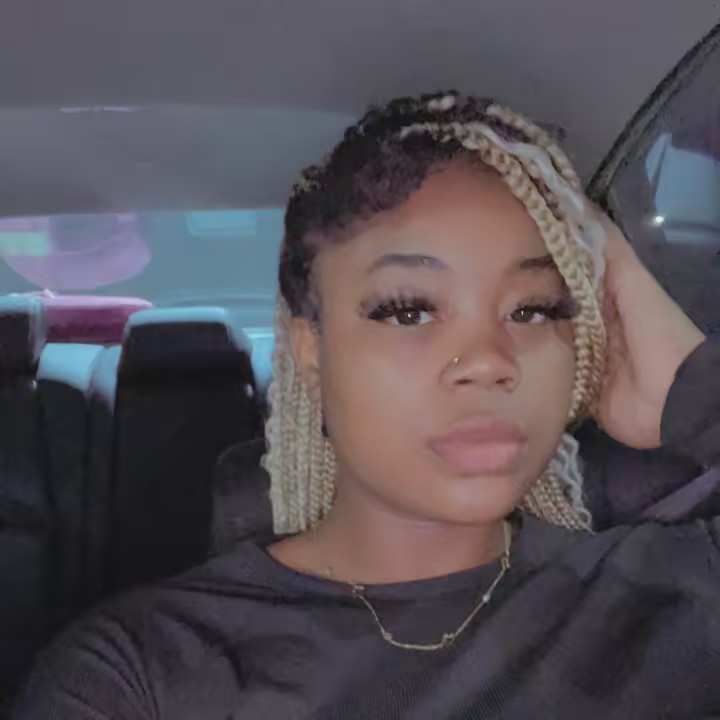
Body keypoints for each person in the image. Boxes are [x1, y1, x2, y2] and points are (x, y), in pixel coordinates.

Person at [13, 91, 720, 719]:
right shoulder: (142, 674)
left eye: (534, 309)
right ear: (312, 349)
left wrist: (691, 389)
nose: (488, 360)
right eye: (409, 311)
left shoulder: (678, 591)